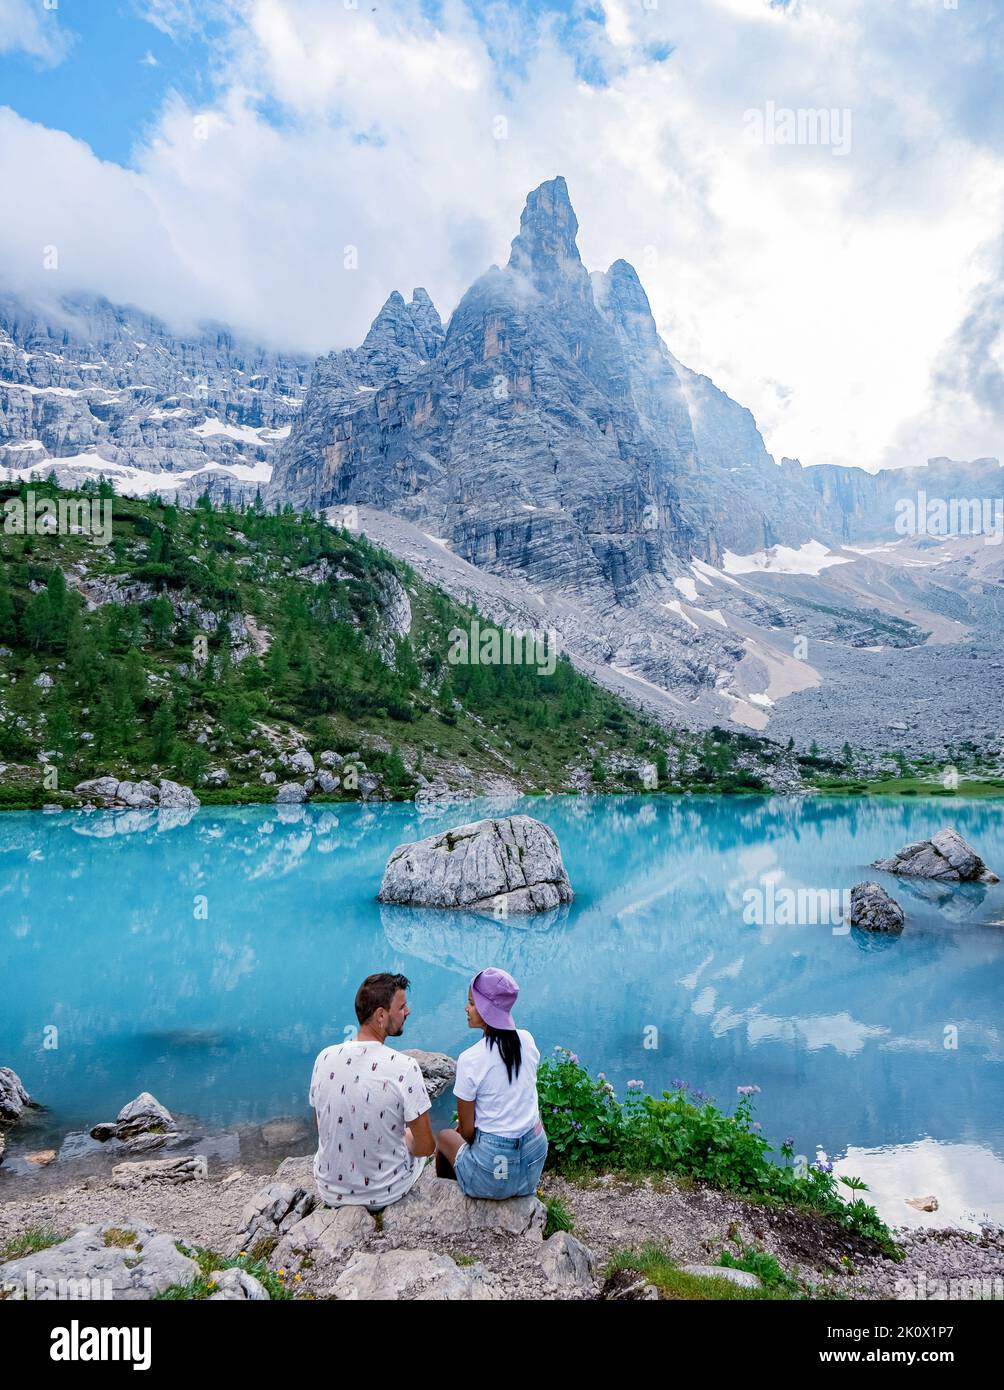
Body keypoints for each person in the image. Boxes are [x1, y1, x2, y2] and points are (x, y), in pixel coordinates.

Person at [309, 972, 435, 1211]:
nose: (407, 1012)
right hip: (385, 1193)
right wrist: (407, 1137)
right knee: (414, 1139)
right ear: (381, 1015)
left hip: (330, 1191)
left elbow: (323, 1128)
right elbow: (426, 1147)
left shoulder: (324, 1058)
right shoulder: (404, 1067)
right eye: (402, 1006)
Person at [435, 967, 548, 1199]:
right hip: (532, 1164)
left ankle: (446, 1197)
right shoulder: (526, 1040)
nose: (466, 1009)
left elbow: (467, 1132)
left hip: (494, 1176)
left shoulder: (470, 1059)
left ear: (486, 1008)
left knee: (446, 1136)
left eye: (472, 1003)